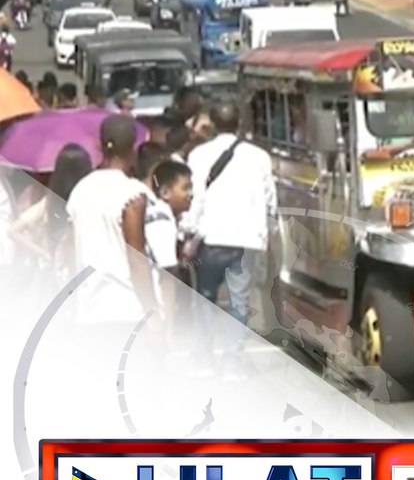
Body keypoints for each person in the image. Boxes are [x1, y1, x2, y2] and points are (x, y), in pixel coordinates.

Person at [185, 103, 276, 375]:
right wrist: (268, 231)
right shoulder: (260, 156)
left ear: (211, 122)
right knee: (239, 301)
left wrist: (189, 229)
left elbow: (196, 196)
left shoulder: (198, 154)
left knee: (205, 297)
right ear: (240, 123)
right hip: (246, 236)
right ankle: (232, 363)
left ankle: (203, 358)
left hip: (210, 235)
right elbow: (270, 197)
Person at [65, 115, 158, 332]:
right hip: (127, 308)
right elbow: (137, 258)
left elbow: (71, 249)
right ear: (134, 147)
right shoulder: (133, 193)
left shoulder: (80, 190)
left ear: (100, 145)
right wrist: (151, 311)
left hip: (88, 310)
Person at [9, 143, 92, 277]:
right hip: (85, 271)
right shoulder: (89, 201)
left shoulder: (50, 201)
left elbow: (13, 231)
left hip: (59, 272)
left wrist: (43, 253)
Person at [144, 159, 193, 324]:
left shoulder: (162, 215)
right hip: (156, 309)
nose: (190, 194)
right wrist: (168, 325)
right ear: (165, 192)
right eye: (185, 188)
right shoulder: (161, 220)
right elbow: (167, 275)